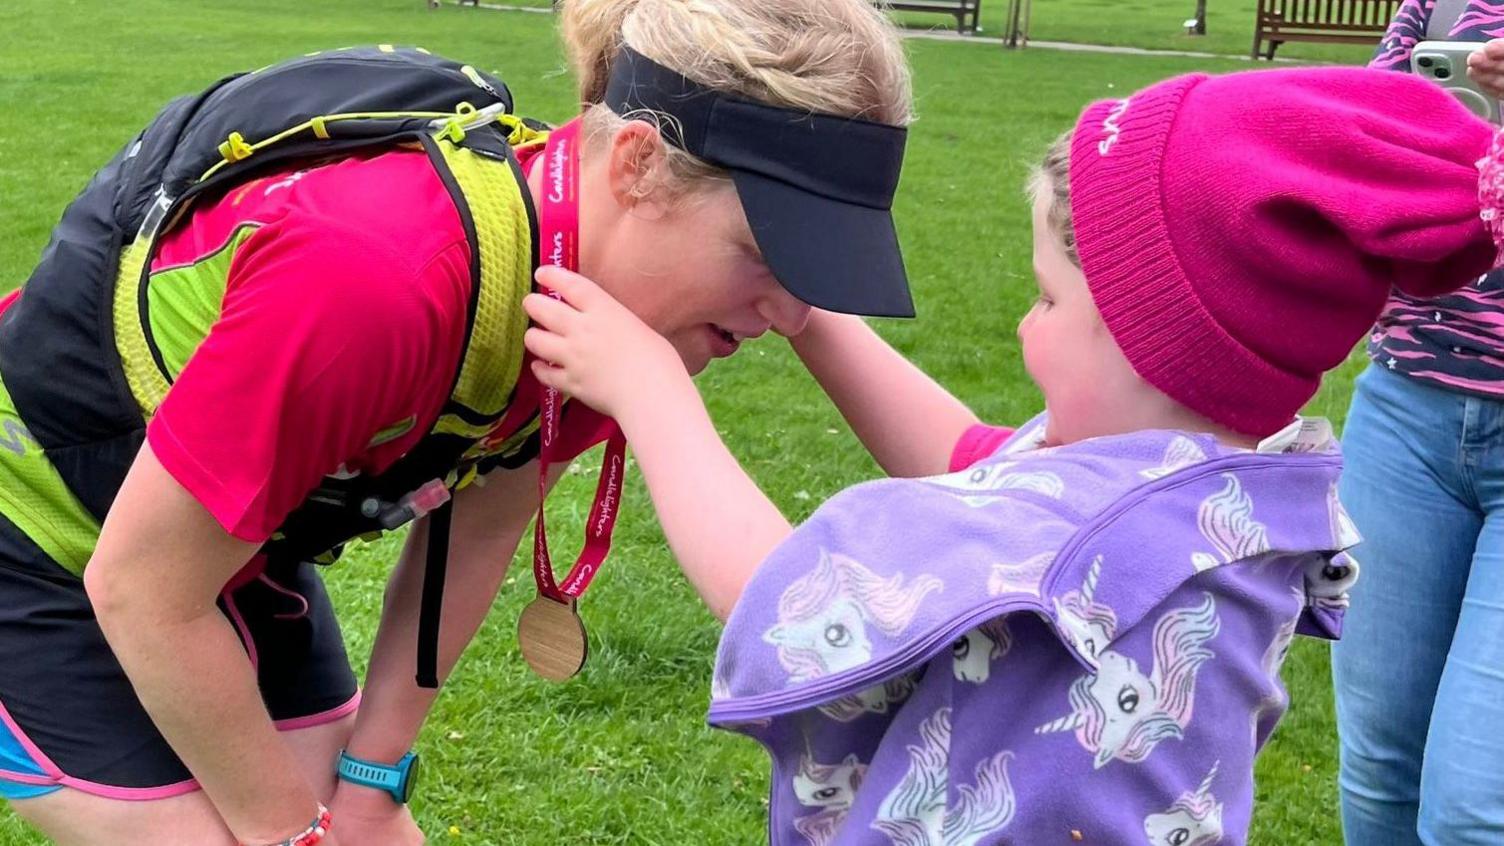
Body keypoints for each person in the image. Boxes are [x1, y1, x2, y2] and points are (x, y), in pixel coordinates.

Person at [0, 0, 916, 842]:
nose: (795, 317)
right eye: (767, 254)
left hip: (220, 541)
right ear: (634, 165)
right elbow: (144, 592)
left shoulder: (609, 329)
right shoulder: (376, 277)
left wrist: (370, 781)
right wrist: (299, 835)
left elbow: (478, 525)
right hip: (39, 524)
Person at [523, 66, 1504, 843]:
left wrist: (649, 388)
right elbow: (974, 458)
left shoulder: (1089, 532)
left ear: (1149, 337)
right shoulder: (1215, 492)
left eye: (1044, 298)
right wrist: (811, 317)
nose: (1024, 330)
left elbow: (785, 594)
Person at [1331, 5, 1504, 841]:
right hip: (1406, 416)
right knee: (1379, 769)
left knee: (1475, 807)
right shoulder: (1433, 8)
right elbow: (1359, 146)